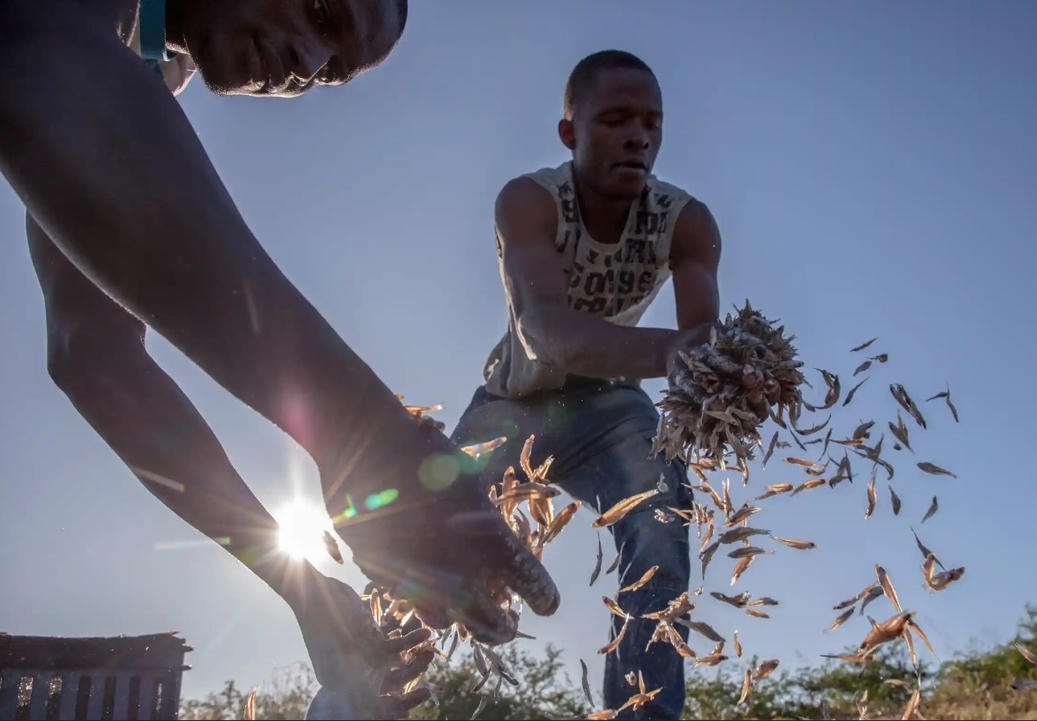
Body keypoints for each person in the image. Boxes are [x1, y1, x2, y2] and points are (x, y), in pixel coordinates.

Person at [0, 1, 558, 714]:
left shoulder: (139, 60)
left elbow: (91, 354)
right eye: (321, 10)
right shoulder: (74, 40)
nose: (312, 64)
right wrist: (368, 436)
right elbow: (33, 45)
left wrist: (300, 586)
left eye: (335, 74)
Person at [446, 49, 723, 719]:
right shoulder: (528, 201)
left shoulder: (686, 221)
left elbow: (704, 348)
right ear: (570, 132)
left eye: (652, 124)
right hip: (515, 399)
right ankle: (363, 692)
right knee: (427, 529)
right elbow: (544, 330)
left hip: (611, 408)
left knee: (661, 530)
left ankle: (642, 711)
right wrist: (679, 352)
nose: (639, 137)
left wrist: (724, 377)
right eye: (616, 120)